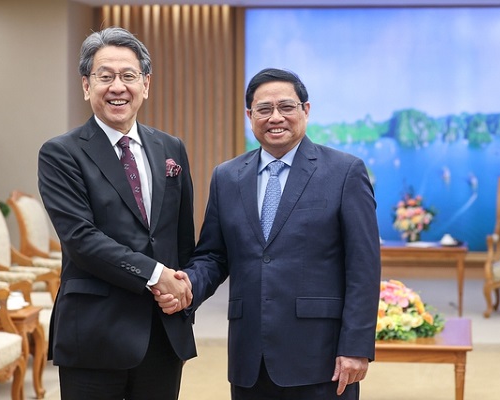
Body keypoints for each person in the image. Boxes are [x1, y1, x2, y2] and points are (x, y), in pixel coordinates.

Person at [156, 68, 381, 399]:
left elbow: (363, 265)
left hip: (322, 356)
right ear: (250, 116)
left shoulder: (345, 172)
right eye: (264, 109)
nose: (276, 117)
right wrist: (186, 286)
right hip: (250, 356)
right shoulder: (227, 177)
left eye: (286, 107)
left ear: (306, 110)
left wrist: (357, 346)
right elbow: (213, 255)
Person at [38, 27, 196, 400]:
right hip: (94, 332)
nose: (117, 87)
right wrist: (157, 275)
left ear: (146, 84)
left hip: (162, 329)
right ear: (86, 86)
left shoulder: (170, 147)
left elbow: (181, 237)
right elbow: (80, 238)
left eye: (128, 76)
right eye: (104, 76)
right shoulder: (61, 153)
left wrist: (182, 288)